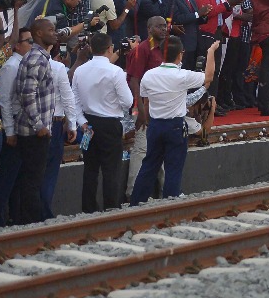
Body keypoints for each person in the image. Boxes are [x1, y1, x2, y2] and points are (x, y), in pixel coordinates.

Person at [130, 35, 220, 205]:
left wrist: (150, 123)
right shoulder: (182, 76)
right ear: (180, 54)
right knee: (174, 168)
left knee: (149, 165)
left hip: (155, 125)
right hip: (175, 126)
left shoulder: (148, 76)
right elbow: (208, 77)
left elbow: (146, 103)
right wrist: (210, 52)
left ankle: (136, 202)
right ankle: (170, 203)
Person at [72, 32, 134, 212]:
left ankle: (88, 208)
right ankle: (111, 207)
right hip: (109, 123)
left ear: (91, 48)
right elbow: (127, 101)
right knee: (111, 169)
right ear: (110, 48)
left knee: (90, 169)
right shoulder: (115, 72)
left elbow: (74, 99)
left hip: (88, 123)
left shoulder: (80, 70)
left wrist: (82, 121)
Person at [15, 16, 57, 224]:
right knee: (33, 180)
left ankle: (30, 221)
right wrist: (39, 126)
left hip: (36, 130)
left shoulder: (40, 58)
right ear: (38, 33)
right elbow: (27, 95)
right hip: (33, 132)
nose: (54, 33)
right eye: (50, 30)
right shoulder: (36, 60)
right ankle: (30, 223)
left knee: (32, 179)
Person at [125, 16, 168, 198]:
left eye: (165, 26)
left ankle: (166, 191)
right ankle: (132, 193)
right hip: (142, 107)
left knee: (160, 148)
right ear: (149, 29)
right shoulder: (142, 49)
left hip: (159, 108)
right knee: (141, 148)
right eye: (159, 27)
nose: (164, 29)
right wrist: (140, 110)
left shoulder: (163, 49)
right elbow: (134, 80)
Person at [0, 26, 28, 228]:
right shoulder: (10, 67)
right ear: (18, 46)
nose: (31, 45)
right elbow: (4, 100)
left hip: (18, 124)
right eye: (28, 41)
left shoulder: (22, 63)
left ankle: (13, 216)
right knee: (6, 177)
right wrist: (10, 130)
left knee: (17, 177)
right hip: (9, 125)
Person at [41, 42, 84, 220]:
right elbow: (68, 98)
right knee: (49, 172)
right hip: (55, 123)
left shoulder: (23, 62)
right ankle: (44, 212)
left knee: (33, 172)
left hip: (32, 123)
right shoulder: (58, 68)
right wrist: (72, 125)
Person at [160, 0, 205, 74]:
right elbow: (176, 18)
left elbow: (195, 19)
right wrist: (198, 14)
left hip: (194, 42)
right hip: (182, 42)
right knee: (182, 74)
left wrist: (204, 15)